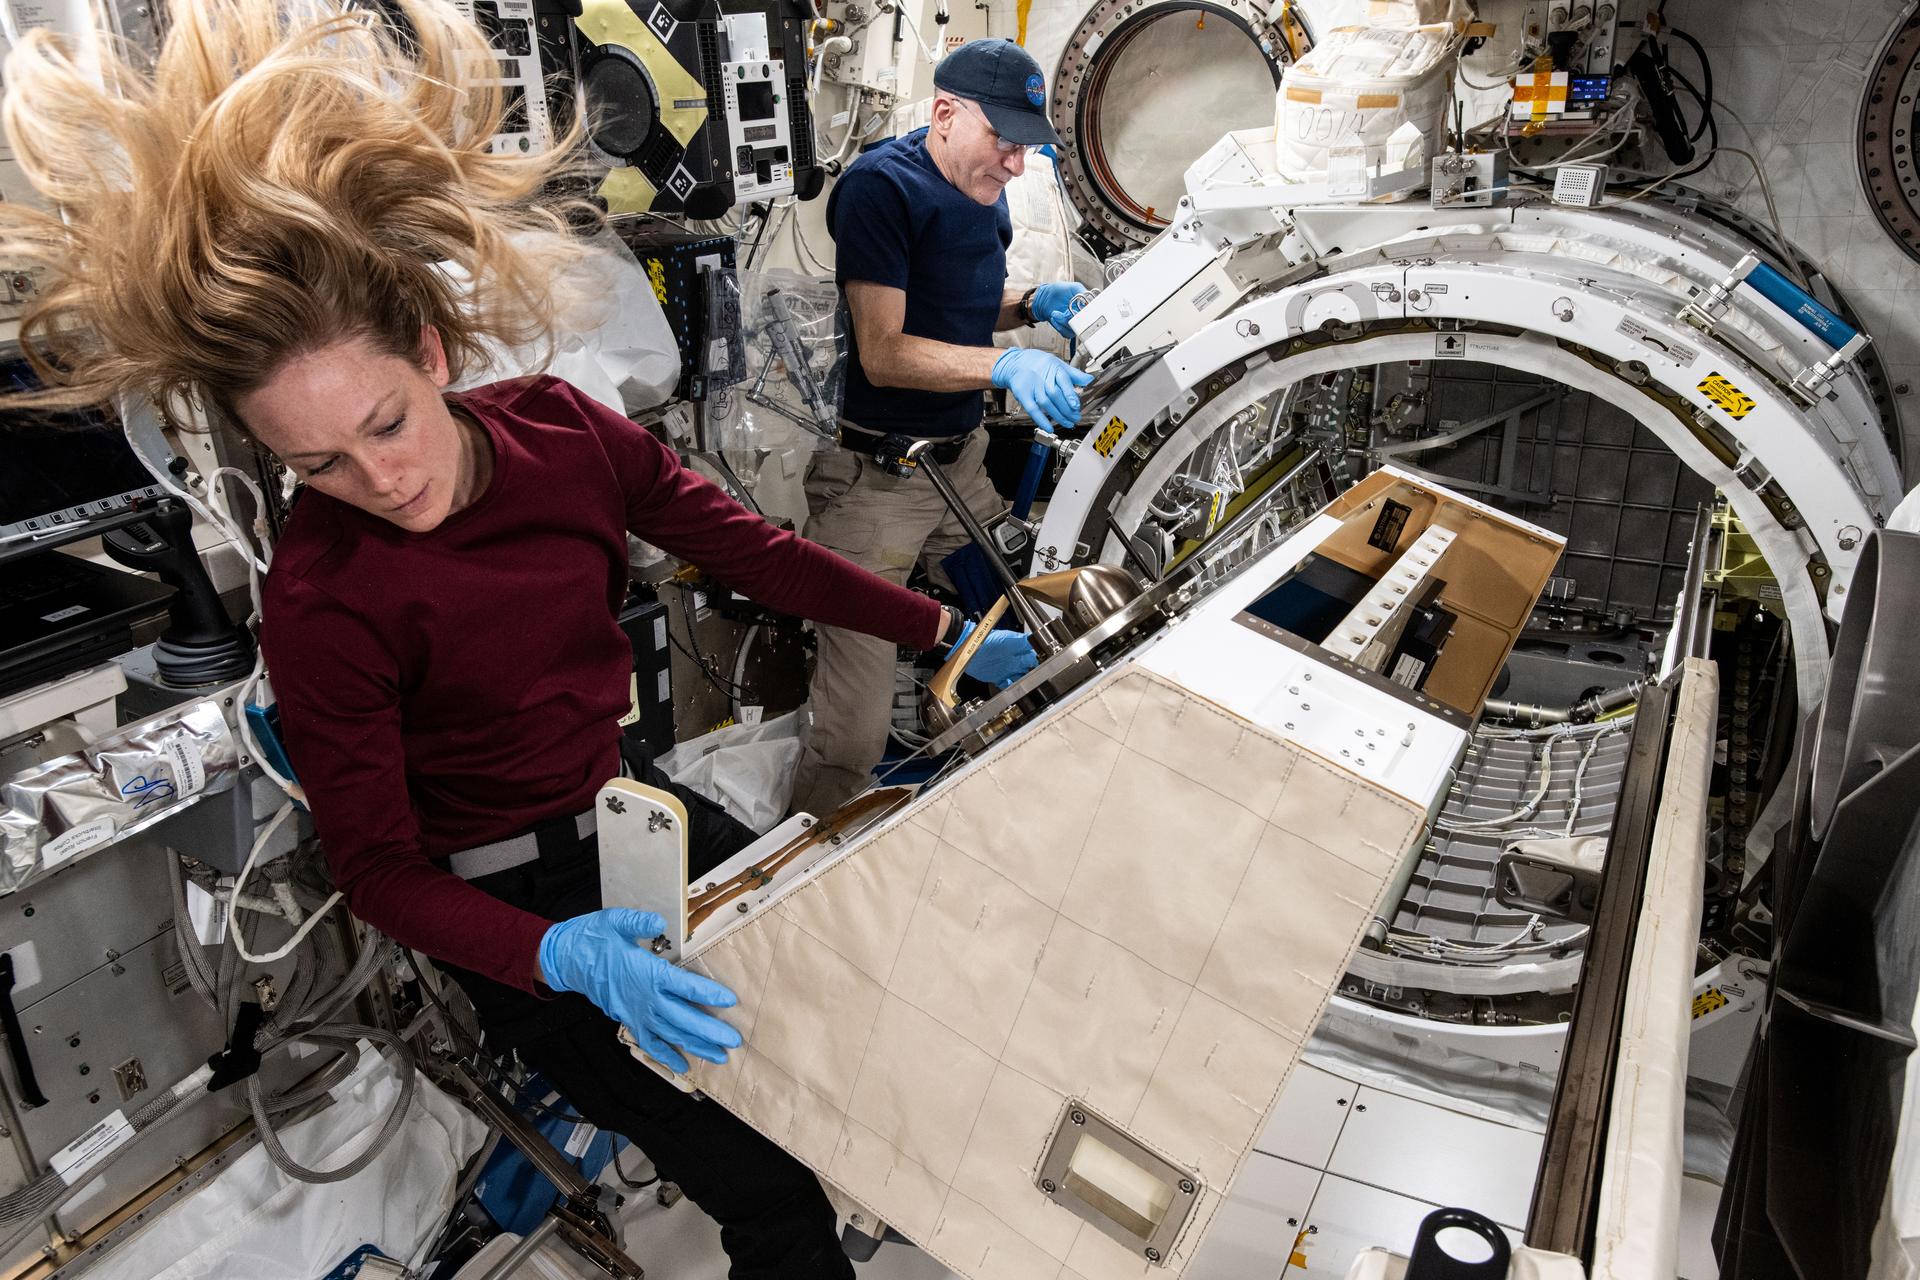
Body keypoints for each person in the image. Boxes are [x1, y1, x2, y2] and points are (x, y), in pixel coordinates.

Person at [0, 4, 1017, 1275]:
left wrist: (940, 625)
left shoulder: (561, 434)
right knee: (772, 1191)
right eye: (316, 461)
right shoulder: (324, 594)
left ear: (432, 353)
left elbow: (758, 554)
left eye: (385, 423)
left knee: (847, 1006)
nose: (375, 478)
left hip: (633, 818)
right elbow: (377, 872)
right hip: (511, 909)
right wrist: (556, 956)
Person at [789, 38, 1092, 816]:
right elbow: (886, 350)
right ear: (947, 113)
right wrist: (1003, 368)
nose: (1017, 166)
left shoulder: (979, 191)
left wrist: (1029, 306)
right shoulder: (881, 190)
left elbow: (950, 304)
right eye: (1006, 142)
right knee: (852, 734)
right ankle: (794, 873)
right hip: (877, 484)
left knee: (1038, 631)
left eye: (1026, 149)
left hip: (959, 467)